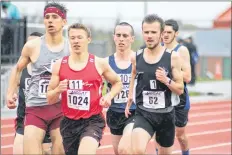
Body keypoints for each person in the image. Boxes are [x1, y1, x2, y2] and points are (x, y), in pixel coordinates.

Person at [46, 23, 123, 155]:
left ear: (88, 39)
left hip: (92, 121)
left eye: (80, 37)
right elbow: (49, 98)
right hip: (69, 123)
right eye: (72, 38)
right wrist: (58, 89)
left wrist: (109, 96)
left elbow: (117, 82)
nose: (76, 41)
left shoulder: (99, 63)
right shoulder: (59, 65)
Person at [6, 2, 69, 154]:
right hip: (36, 108)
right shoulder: (32, 46)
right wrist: (10, 93)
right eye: (47, 17)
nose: (50, 20)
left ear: (64, 22)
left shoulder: (71, 48)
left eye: (55, 17)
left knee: (60, 151)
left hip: (60, 108)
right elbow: (17, 69)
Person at [125, 14, 184, 155]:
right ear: (142, 32)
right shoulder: (136, 56)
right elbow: (134, 74)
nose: (149, 36)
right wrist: (130, 97)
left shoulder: (172, 57)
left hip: (166, 115)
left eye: (153, 32)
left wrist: (166, 80)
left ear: (162, 34)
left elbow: (180, 89)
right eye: (146, 32)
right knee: (137, 150)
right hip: (143, 113)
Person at [13, 32, 52, 155]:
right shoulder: (20, 69)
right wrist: (12, 94)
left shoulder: (50, 69)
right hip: (24, 119)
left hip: (46, 119)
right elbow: (13, 85)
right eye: (29, 43)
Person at [105, 22, 136, 155]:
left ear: (132, 39)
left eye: (125, 35)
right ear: (114, 37)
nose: (121, 38)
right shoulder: (106, 62)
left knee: (125, 149)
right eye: (118, 35)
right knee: (119, 151)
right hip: (114, 112)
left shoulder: (139, 60)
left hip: (135, 112)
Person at [162, 19, 191, 155]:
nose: (165, 35)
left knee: (180, 135)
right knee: (160, 133)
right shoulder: (158, 49)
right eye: (163, 32)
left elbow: (188, 77)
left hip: (179, 98)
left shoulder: (182, 50)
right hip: (162, 96)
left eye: (169, 32)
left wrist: (169, 74)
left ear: (176, 33)